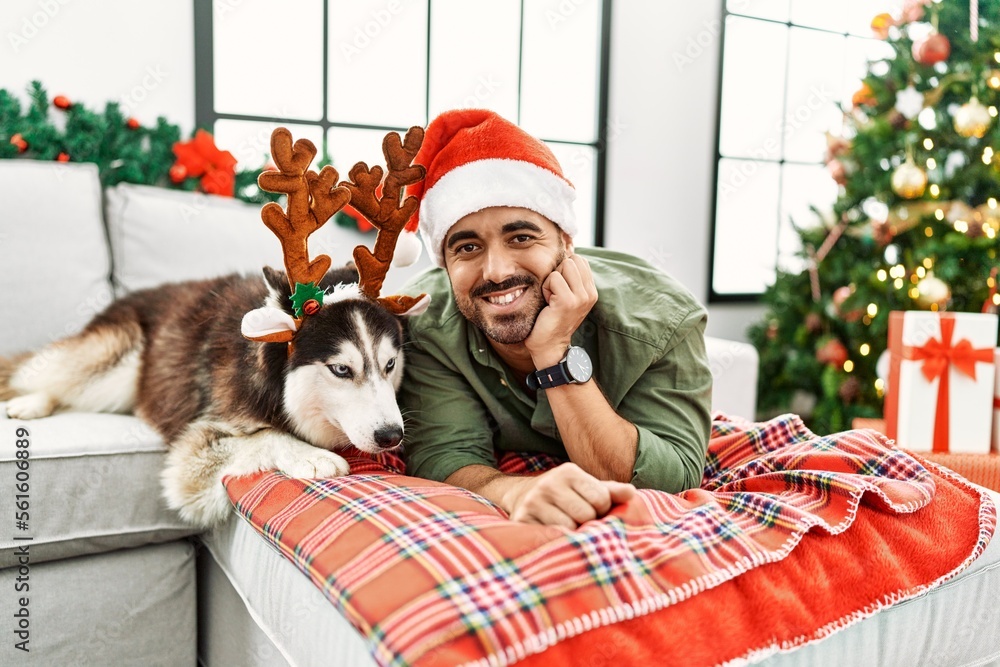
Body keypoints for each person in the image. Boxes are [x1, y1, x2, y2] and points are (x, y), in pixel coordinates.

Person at [398, 109, 712, 529]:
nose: (496, 272)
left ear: (565, 241)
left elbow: (669, 479)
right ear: (444, 263)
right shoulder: (423, 321)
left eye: (521, 237)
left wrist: (553, 352)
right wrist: (517, 492)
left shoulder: (663, 320)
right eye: (467, 248)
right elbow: (445, 456)